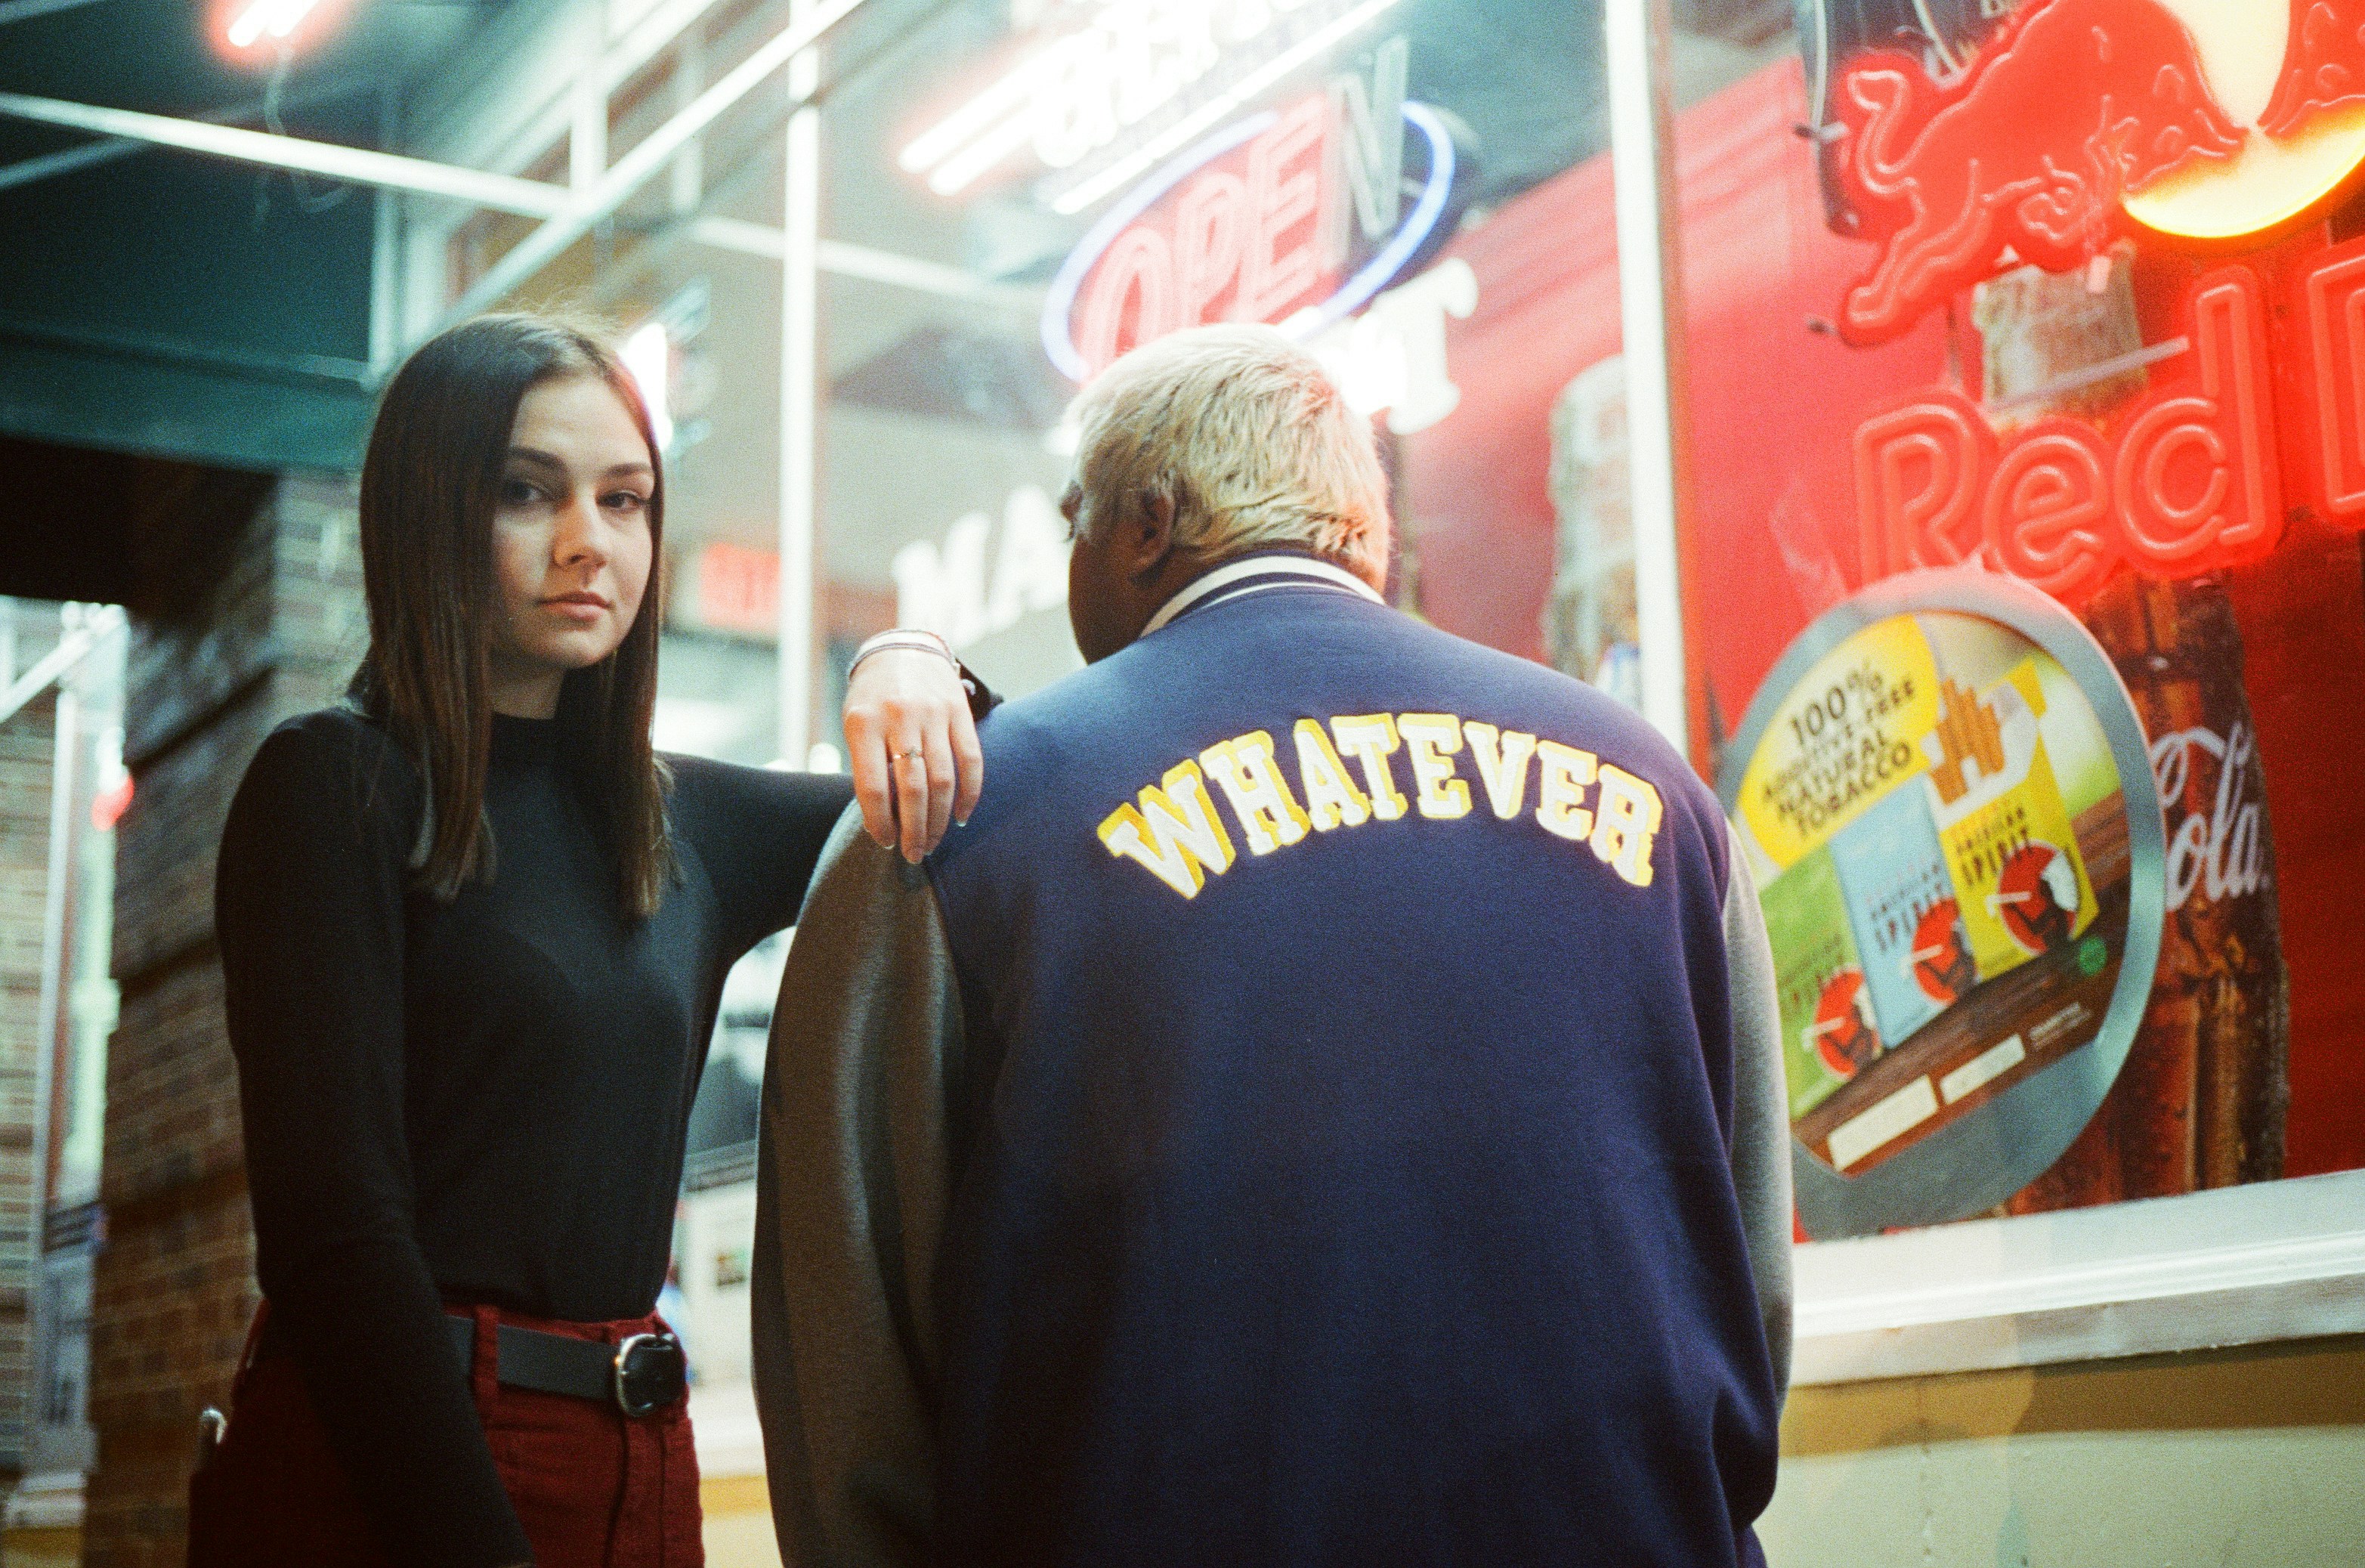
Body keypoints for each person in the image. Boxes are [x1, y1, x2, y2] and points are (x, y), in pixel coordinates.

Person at [750, 323, 1793, 1568]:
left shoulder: (956, 815)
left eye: (1072, 520)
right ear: (1365, 532)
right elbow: (1749, 1275)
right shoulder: (1658, 789)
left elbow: (851, 1373)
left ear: (1143, 522)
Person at [199, 312, 991, 1568]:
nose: (590, 544)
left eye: (626, 502)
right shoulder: (337, 784)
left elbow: (998, 784)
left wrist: (906, 654)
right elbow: (334, 1232)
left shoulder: (683, 821)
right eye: (528, 492)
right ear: (429, 510)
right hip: (397, 1458)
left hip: (634, 1457)